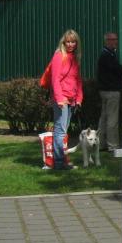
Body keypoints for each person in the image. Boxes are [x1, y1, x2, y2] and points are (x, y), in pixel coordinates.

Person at [50, 29, 84, 170]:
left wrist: (79, 98)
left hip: (71, 99)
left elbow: (77, 80)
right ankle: (59, 162)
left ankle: (62, 160)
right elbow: (55, 79)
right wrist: (59, 98)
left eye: (73, 42)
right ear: (63, 42)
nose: (70, 44)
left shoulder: (74, 57)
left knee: (63, 131)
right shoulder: (59, 56)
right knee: (60, 131)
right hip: (62, 99)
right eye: (68, 42)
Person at [96, 32, 122, 151]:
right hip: (111, 90)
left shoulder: (106, 54)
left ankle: (100, 143)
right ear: (107, 41)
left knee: (103, 118)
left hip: (104, 90)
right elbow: (117, 69)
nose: (115, 42)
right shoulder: (108, 55)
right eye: (113, 39)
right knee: (112, 119)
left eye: (116, 39)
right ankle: (112, 145)